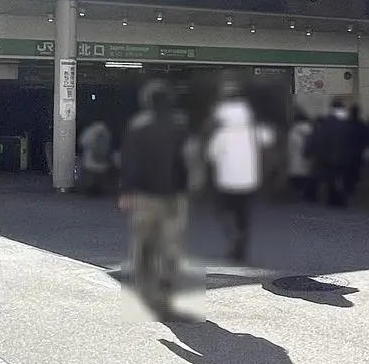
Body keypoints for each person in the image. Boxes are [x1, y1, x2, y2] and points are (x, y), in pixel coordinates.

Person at [119, 80, 190, 318]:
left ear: (146, 101)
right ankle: (166, 292)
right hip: (174, 195)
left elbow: (129, 162)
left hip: (144, 196)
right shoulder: (180, 125)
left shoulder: (138, 126)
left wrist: (126, 191)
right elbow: (187, 160)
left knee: (144, 245)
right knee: (171, 246)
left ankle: (147, 292)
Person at [206, 79, 273, 263]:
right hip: (249, 180)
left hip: (226, 181)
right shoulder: (254, 128)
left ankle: (233, 236)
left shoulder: (222, 133)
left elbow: (211, 155)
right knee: (244, 215)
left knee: (222, 211)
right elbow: (269, 138)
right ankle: (241, 248)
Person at [312, 98, 353, 208]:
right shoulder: (347, 123)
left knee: (330, 179)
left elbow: (320, 140)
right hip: (344, 157)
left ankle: (332, 200)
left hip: (328, 157)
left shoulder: (326, 123)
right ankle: (342, 199)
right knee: (342, 178)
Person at [286, 110, 316, 202]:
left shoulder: (292, 131)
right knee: (308, 176)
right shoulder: (312, 130)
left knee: (297, 177)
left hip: (295, 161)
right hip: (308, 160)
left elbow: (290, 147)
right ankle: (308, 194)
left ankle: (299, 194)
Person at [79, 119, 114, 196]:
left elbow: (83, 142)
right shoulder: (106, 131)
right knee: (101, 176)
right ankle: (100, 190)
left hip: (91, 158)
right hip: (103, 159)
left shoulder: (89, 130)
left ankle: (91, 190)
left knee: (91, 176)